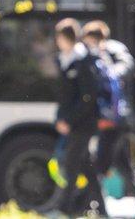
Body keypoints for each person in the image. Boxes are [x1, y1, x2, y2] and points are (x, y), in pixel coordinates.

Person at [83, 18, 135, 219]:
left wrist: (107, 72)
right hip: (114, 119)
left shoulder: (112, 50)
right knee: (124, 166)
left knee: (99, 165)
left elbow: (125, 67)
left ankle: (91, 206)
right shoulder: (101, 53)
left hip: (115, 120)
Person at [45, 16, 106, 215]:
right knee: (86, 166)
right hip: (74, 123)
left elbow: (87, 98)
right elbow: (65, 97)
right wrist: (60, 119)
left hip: (83, 123)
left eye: (59, 37)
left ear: (65, 38)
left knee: (71, 166)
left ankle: (65, 209)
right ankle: (103, 208)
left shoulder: (82, 61)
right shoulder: (65, 60)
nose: (57, 41)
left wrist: (69, 120)